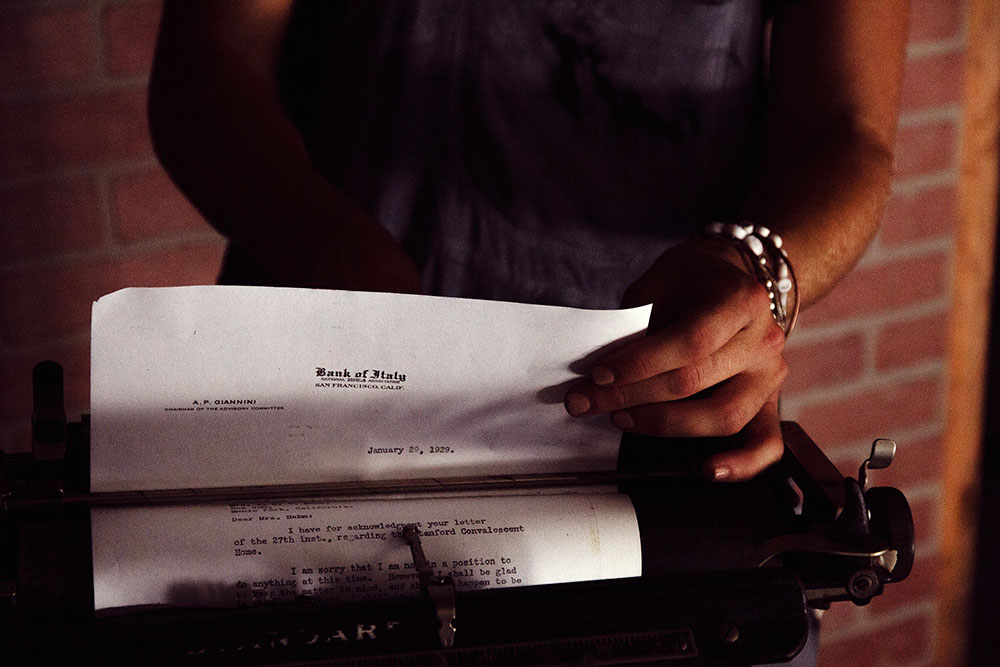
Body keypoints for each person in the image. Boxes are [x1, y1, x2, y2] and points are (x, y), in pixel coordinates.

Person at [148, 1, 909, 484]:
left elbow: (847, 130)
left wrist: (753, 268)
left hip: (652, 402)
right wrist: (325, 244)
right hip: (319, 375)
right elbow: (211, 61)